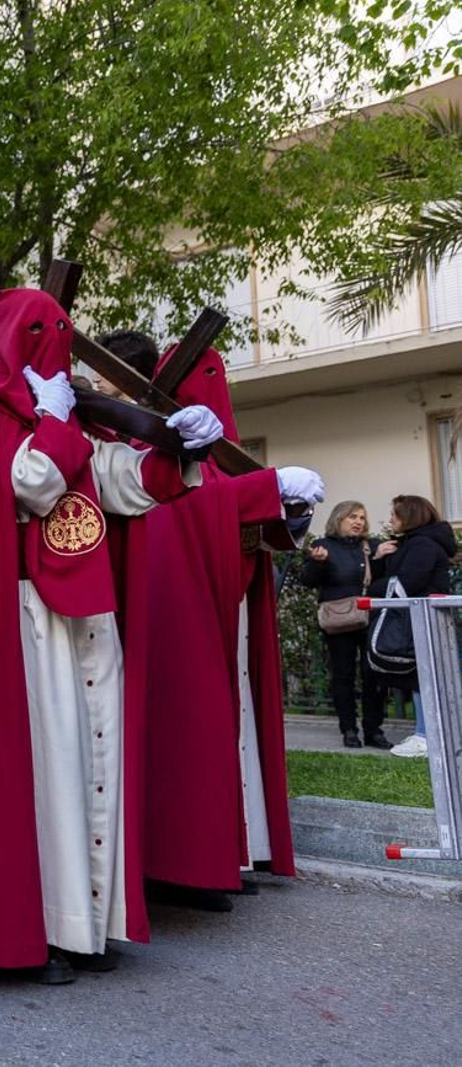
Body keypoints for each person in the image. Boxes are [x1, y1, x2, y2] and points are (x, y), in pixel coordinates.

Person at [0, 290, 223, 984]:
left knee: (92, 760)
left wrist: (179, 447)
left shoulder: (67, 412)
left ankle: (86, 922)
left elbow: (116, 480)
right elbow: (33, 483)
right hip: (22, 615)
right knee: (46, 769)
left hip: (87, 610)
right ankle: (40, 926)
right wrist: (55, 419)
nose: (50, 343)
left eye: (60, 331)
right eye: (37, 331)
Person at [139, 345, 324, 910]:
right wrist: (266, 488)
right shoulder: (154, 451)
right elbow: (189, 503)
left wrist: (286, 508)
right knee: (192, 732)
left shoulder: (219, 456)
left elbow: (247, 524)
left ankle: (235, 850)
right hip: (185, 618)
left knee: (232, 729)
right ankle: (187, 862)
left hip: (231, 612)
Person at [300, 501, 390, 749]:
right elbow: (307, 581)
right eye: (352, 517)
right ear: (338, 519)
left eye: (361, 517)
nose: (358, 522)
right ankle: (349, 729)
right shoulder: (324, 546)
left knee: (374, 675)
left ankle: (374, 730)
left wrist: (378, 559)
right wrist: (317, 563)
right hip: (339, 622)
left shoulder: (370, 545)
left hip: (369, 618)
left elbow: (380, 582)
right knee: (343, 676)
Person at [374, 495, 457, 758]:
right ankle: (425, 732)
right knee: (424, 676)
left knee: (424, 676)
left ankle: (425, 735)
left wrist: (373, 589)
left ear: (409, 517)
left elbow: (407, 583)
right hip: (424, 619)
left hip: (423, 620)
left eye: (394, 515)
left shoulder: (421, 545)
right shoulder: (420, 542)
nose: (390, 520)